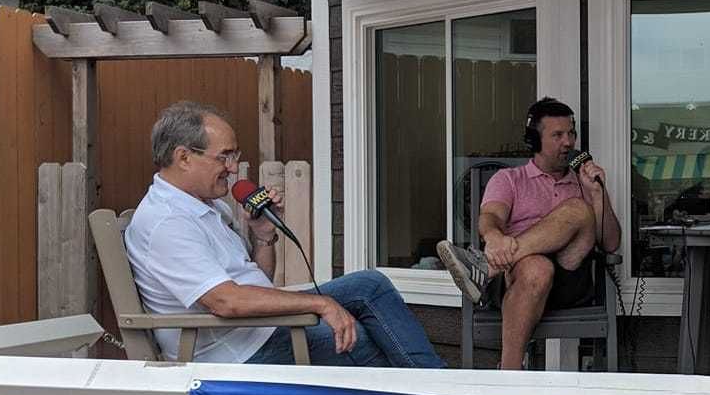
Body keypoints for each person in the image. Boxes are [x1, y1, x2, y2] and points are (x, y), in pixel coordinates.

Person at [125, 101, 445, 368]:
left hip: (256, 329)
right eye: (225, 156)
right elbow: (226, 301)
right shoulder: (167, 223)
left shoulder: (207, 206)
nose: (233, 168)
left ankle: (437, 387)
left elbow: (255, 280)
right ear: (183, 157)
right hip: (235, 353)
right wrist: (321, 304)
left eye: (234, 156)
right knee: (359, 338)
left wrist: (264, 236)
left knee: (370, 284)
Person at [438, 97, 621, 370]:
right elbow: (490, 217)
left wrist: (597, 193)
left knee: (578, 210)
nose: (568, 142)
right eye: (557, 135)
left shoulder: (583, 183)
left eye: (571, 134)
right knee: (537, 267)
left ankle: (485, 268)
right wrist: (494, 237)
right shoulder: (509, 179)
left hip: (570, 279)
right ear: (535, 141)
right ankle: (510, 374)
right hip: (520, 279)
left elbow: (611, 243)